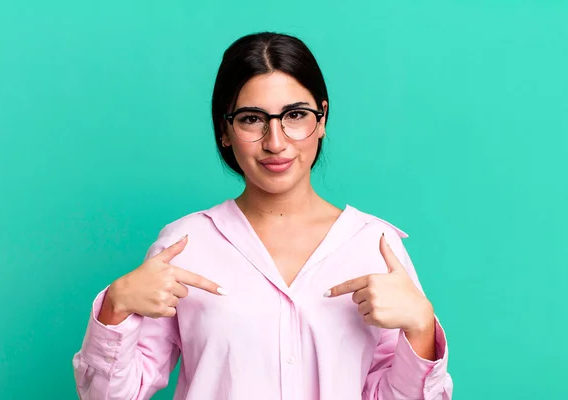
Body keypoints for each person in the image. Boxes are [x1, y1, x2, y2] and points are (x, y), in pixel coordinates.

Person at [72, 31, 454, 400]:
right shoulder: (183, 245)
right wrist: (115, 307)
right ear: (225, 129)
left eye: (296, 114)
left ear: (321, 119)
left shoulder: (375, 247)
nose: (275, 141)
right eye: (252, 118)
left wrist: (420, 330)